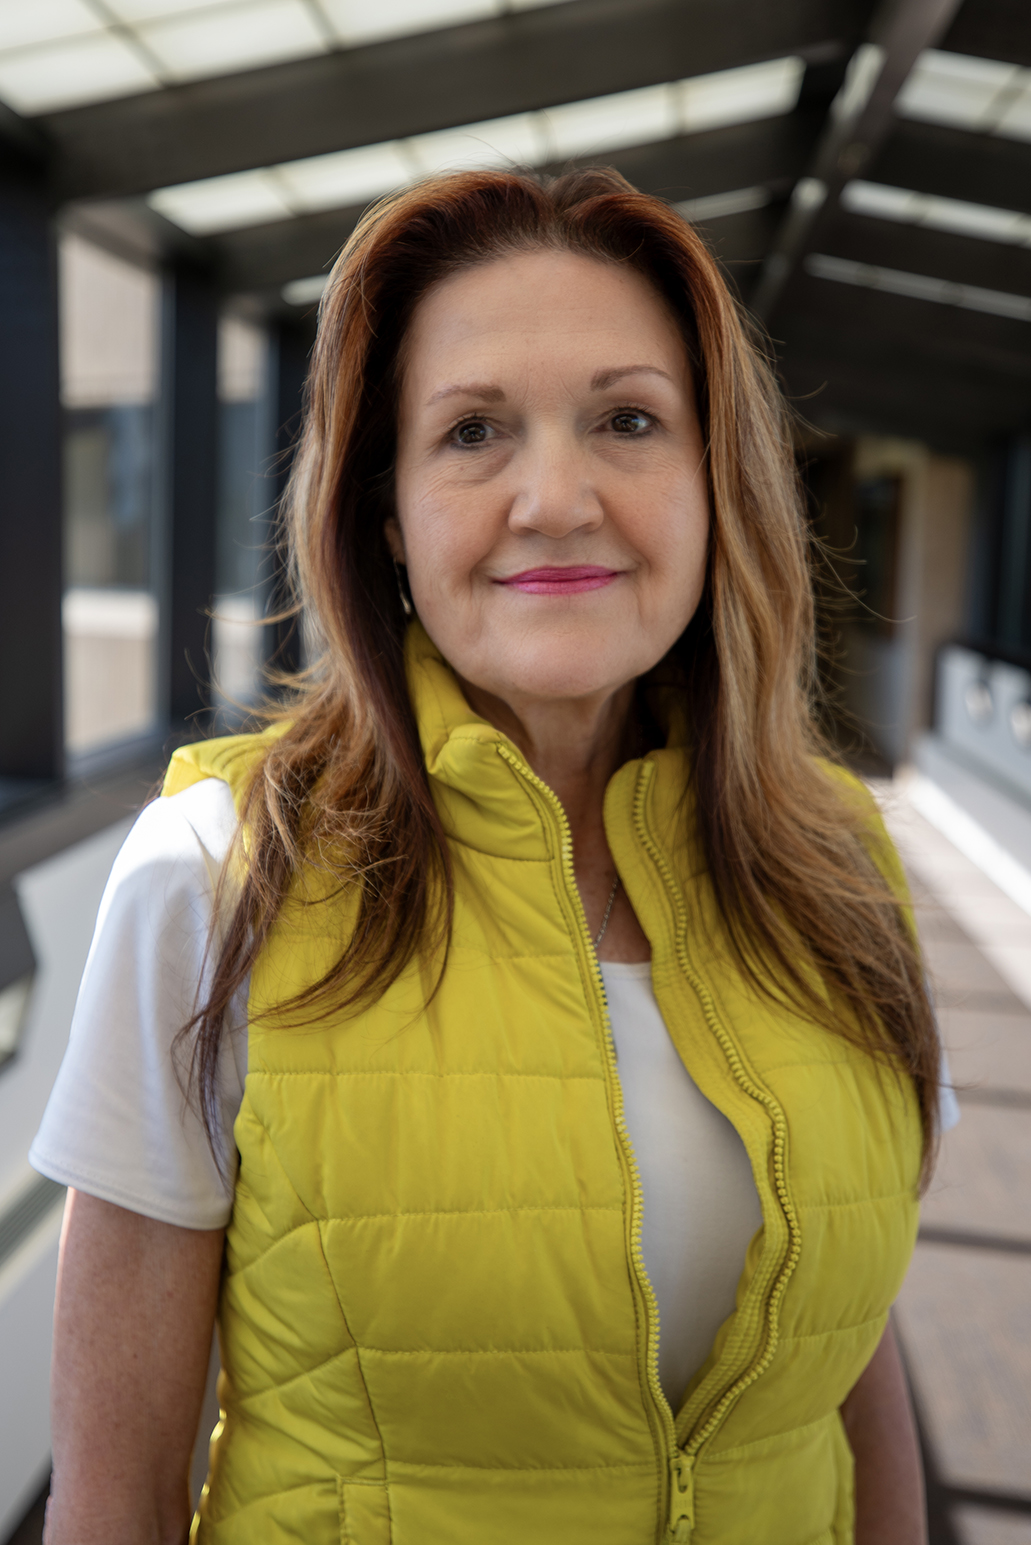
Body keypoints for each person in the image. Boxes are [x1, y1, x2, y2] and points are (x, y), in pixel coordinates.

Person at [33, 168, 947, 1545]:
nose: (555, 498)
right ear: (387, 513)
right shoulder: (215, 873)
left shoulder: (841, 863)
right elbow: (112, 1499)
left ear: (715, 486)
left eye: (628, 420)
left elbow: (837, 1360)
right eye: (472, 433)